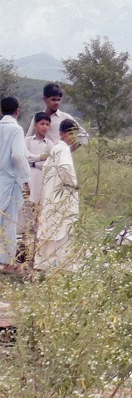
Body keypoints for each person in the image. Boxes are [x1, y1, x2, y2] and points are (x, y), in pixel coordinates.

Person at [35, 119, 80, 271]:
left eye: (75, 134)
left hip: (52, 196)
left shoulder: (55, 150)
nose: (73, 137)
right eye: (71, 133)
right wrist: (74, 184)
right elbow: (65, 168)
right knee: (63, 229)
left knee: (52, 229)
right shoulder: (62, 149)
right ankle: (64, 266)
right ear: (63, 134)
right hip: (61, 196)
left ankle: (45, 264)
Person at [0, 97, 31, 272]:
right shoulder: (16, 129)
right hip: (10, 182)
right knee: (9, 222)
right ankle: (7, 262)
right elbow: (18, 156)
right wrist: (25, 179)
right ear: (17, 111)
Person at [21, 112, 53, 261]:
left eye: (47, 124)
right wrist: (39, 158)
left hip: (43, 180)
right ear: (35, 125)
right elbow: (24, 156)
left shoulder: (50, 144)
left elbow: (51, 162)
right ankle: (23, 250)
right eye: (42, 124)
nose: (45, 127)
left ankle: (36, 252)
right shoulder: (27, 141)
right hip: (29, 179)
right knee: (27, 214)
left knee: (39, 216)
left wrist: (36, 161)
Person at [26, 83, 88, 150]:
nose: (56, 103)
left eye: (58, 100)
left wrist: (69, 150)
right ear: (44, 99)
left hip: (59, 157)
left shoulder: (65, 117)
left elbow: (84, 136)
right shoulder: (38, 117)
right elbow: (28, 138)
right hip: (40, 157)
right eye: (53, 100)